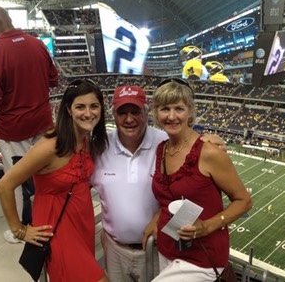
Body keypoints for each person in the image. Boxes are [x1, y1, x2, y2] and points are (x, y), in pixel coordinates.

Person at [90, 85, 227, 282]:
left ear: (147, 112)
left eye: (136, 111)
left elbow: (189, 181)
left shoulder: (166, 142)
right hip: (114, 249)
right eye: (122, 112)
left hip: (156, 247)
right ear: (113, 115)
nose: (129, 119)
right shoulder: (99, 146)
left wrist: (211, 141)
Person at [0, 78, 109, 282]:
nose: (88, 113)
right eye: (80, 107)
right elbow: (4, 185)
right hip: (56, 228)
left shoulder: (85, 139)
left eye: (94, 106)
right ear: (68, 110)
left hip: (82, 222)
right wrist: (19, 230)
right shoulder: (50, 146)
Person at [149, 77, 252, 281]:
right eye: (164, 109)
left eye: (179, 108)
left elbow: (244, 201)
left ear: (190, 112)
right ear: (156, 113)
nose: (171, 116)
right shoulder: (162, 149)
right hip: (167, 246)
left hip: (202, 256)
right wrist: (154, 222)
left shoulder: (208, 151)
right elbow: (168, 197)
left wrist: (208, 226)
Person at [0, 6, 59, 243]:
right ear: (10, 19)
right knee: (45, 171)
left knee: (14, 179)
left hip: (15, 128)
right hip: (43, 122)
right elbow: (53, 80)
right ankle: (48, 218)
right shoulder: (38, 44)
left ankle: (21, 229)